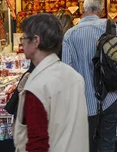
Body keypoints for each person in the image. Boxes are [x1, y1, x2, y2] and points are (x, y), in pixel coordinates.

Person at [63, 0, 117, 152]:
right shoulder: (114, 27)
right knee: (106, 143)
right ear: (102, 10)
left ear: (83, 10)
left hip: (83, 102)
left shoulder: (70, 35)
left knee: (84, 145)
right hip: (110, 97)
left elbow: (66, 69)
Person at [14, 14, 88, 152]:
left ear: (36, 40)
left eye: (23, 38)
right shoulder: (75, 77)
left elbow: (37, 143)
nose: (22, 43)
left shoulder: (37, 86)